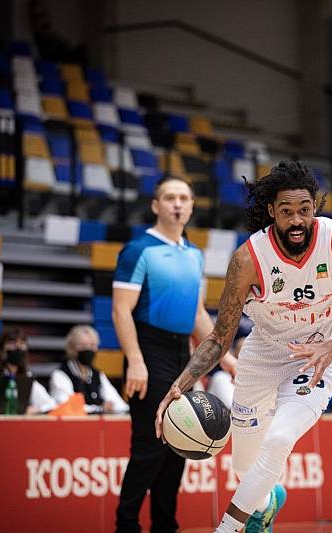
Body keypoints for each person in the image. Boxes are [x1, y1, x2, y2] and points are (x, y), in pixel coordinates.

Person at [154, 160, 332, 533]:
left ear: (314, 206)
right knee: (243, 466)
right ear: (271, 212)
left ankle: (229, 528)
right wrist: (181, 382)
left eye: (304, 210)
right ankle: (266, 503)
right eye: (286, 212)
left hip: (319, 356)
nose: (297, 220)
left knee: (280, 438)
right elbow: (219, 338)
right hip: (263, 356)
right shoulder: (249, 259)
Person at [111, 175, 237, 533]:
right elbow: (121, 311)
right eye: (169, 198)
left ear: (192, 205)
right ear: (156, 205)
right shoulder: (138, 250)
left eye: (184, 197)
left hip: (183, 353)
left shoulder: (195, 254)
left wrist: (225, 359)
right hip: (148, 350)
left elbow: (198, 315)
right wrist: (135, 360)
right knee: (149, 447)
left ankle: (165, 526)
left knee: (178, 446)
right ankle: (127, 525)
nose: (177, 204)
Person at [0, 327, 57, 413]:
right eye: (12, 343)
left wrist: (36, 410)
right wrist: (25, 411)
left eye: (22, 343)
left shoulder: (25, 376)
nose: (18, 347)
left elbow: (50, 404)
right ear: (1, 348)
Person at [49, 324, 128, 413]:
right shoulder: (60, 374)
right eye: (83, 345)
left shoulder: (97, 375)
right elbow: (67, 406)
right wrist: (100, 408)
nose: (88, 349)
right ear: (72, 348)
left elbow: (118, 403)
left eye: (92, 345)